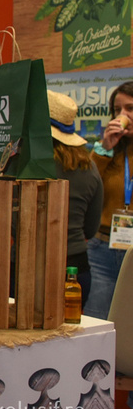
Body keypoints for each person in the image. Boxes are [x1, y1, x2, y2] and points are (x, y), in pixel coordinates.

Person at [47, 90, 102, 305]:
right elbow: (90, 229)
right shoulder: (90, 167)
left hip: (30, 268)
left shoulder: (27, 167)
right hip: (76, 268)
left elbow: (14, 226)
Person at [86, 81, 133, 319]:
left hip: (132, 253)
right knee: (96, 321)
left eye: (130, 108)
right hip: (102, 249)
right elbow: (88, 187)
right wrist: (104, 148)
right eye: (117, 109)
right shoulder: (107, 149)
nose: (122, 115)